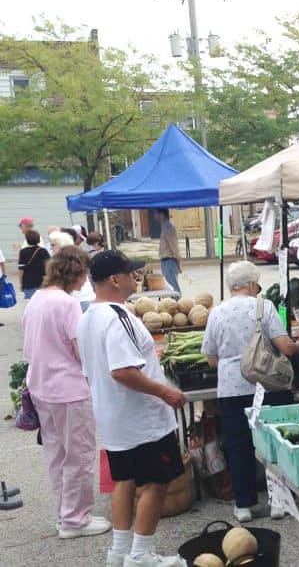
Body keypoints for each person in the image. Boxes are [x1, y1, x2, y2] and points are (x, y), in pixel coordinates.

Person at [77, 250, 187, 567]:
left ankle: (120, 552)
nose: (134, 278)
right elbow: (123, 371)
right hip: (142, 420)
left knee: (124, 482)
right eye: (130, 273)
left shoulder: (87, 318)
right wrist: (165, 392)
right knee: (156, 483)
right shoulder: (117, 316)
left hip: (114, 420)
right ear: (115, 279)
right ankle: (141, 555)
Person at [201, 260, 299, 523]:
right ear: (249, 284)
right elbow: (284, 346)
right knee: (273, 443)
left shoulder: (216, 312)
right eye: (256, 284)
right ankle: (278, 502)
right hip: (266, 385)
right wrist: (298, 346)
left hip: (231, 389)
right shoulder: (264, 306)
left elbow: (211, 359)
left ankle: (244, 505)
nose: (257, 289)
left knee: (238, 446)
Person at [21, 246, 111, 540]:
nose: (85, 281)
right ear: (76, 273)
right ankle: (75, 519)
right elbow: (79, 348)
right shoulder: (67, 304)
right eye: (84, 275)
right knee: (79, 455)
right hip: (69, 389)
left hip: (41, 386)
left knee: (57, 456)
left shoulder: (37, 300)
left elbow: (29, 346)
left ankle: (65, 514)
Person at [154, 209, 181, 295]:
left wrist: (179, 262)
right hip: (165, 261)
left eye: (156, 213)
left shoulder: (168, 227)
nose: (154, 216)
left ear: (161, 215)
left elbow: (174, 246)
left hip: (170, 261)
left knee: (173, 287)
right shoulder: (164, 226)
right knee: (169, 287)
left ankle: (178, 305)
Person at [17, 230, 50, 300]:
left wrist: (21, 283)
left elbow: (21, 269)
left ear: (27, 240)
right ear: (38, 239)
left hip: (28, 283)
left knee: (32, 304)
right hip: (42, 282)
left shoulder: (23, 252)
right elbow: (48, 266)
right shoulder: (43, 251)